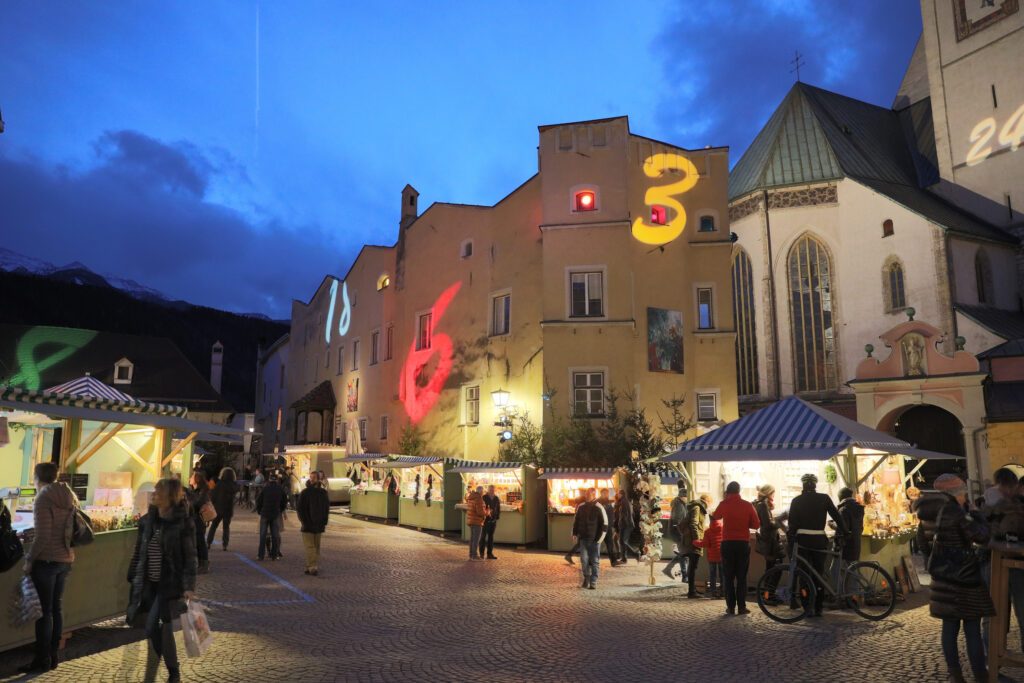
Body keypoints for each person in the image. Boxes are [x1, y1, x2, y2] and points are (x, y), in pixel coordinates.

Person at [916, 474, 998, 683]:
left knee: (949, 627)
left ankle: (956, 675)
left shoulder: (927, 512)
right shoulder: (955, 512)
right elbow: (982, 536)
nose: (965, 497)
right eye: (963, 493)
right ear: (958, 493)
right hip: (965, 578)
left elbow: (923, 545)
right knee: (972, 627)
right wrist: (976, 515)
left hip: (942, 578)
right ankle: (981, 675)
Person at [126, 478, 197, 683]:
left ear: (169, 496)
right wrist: (133, 573)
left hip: (169, 583)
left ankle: (160, 670)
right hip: (149, 582)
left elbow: (190, 557)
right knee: (164, 629)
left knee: (151, 626)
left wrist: (189, 586)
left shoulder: (183, 522)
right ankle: (173, 671)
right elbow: (140, 550)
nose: (153, 494)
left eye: (158, 491)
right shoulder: (148, 520)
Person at [18, 463, 77, 674]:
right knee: (56, 610)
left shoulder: (43, 498)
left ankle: (41, 660)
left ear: (36, 477)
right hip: (65, 560)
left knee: (43, 613)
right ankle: (53, 656)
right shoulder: (68, 494)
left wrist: (29, 559)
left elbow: (42, 536)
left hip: (47, 561)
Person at [788, 473, 846, 617]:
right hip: (819, 540)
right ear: (815, 485)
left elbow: (792, 525)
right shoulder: (824, 498)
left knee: (804, 575)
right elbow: (837, 516)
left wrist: (791, 541)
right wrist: (845, 531)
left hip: (803, 542)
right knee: (818, 574)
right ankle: (819, 606)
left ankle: (807, 606)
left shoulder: (796, 501)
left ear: (803, 485)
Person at [711, 481, 760, 615]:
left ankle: (731, 607)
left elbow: (715, 516)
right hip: (743, 544)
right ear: (739, 491)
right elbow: (756, 525)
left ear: (728, 491)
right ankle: (742, 607)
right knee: (741, 577)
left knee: (728, 577)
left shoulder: (724, 504)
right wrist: (746, 523)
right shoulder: (747, 505)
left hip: (727, 543)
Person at [572, 487, 607, 590]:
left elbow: (604, 524)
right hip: (583, 539)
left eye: (588, 494)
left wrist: (599, 539)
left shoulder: (599, 507)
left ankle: (593, 581)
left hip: (594, 540)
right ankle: (586, 579)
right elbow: (576, 521)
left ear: (594, 495)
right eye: (586, 494)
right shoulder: (581, 507)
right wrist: (574, 533)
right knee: (584, 560)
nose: (586, 496)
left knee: (595, 561)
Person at [297, 471, 330, 576]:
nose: (311, 479)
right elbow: (326, 509)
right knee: (315, 547)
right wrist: (324, 522)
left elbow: (300, 509)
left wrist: (303, 521)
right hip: (319, 524)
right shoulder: (323, 493)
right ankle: (310, 565)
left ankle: (312, 566)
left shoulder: (305, 492)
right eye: (311, 477)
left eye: (313, 477)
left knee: (310, 547)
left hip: (308, 524)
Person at [680, 493, 711, 598]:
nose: (709, 505)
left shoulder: (697, 507)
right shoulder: (697, 507)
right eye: (710, 502)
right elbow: (694, 523)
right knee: (693, 566)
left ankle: (692, 590)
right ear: (706, 500)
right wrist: (697, 539)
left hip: (691, 539)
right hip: (692, 541)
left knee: (693, 566)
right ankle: (691, 592)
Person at [753, 484, 784, 589]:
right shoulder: (763, 505)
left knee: (771, 568)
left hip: (767, 540)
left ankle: (767, 594)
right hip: (770, 541)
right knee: (774, 568)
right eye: (773, 493)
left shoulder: (760, 504)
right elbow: (768, 524)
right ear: (769, 493)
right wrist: (780, 520)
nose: (774, 495)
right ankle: (769, 594)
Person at [255, 473, 287, 560]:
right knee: (275, 535)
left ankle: (260, 555)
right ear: (277, 480)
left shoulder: (265, 488)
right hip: (275, 513)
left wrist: (259, 511)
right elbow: (284, 501)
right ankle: (274, 555)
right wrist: (280, 509)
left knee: (263, 535)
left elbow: (259, 501)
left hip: (265, 513)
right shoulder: (280, 489)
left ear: (269, 480)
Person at [207, 467, 238, 551]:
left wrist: (212, 504)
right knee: (226, 527)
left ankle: (208, 542)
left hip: (218, 509)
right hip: (228, 510)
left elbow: (213, 496)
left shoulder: (219, 484)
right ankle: (225, 544)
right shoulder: (234, 486)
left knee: (214, 526)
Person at [662, 482, 689, 580]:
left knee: (683, 552)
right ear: (683, 497)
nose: (687, 499)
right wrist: (682, 532)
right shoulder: (679, 505)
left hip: (677, 531)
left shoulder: (680, 503)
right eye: (686, 497)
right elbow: (677, 520)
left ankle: (669, 569)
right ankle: (684, 575)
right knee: (683, 553)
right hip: (677, 532)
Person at [187, 470, 211, 574]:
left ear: (196, 480)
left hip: (199, 521)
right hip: (195, 520)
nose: (189, 479)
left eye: (191, 477)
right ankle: (201, 564)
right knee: (197, 543)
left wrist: (189, 502)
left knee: (200, 543)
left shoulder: (202, 491)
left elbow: (197, 504)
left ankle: (204, 564)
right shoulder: (194, 491)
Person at [836, 487, 864, 563]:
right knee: (853, 567)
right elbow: (860, 527)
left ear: (841, 497)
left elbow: (843, 528)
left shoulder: (843, 509)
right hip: (856, 543)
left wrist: (832, 525)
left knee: (848, 569)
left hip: (846, 545)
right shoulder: (859, 508)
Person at [613, 489, 638, 564]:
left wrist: (622, 525)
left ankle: (635, 554)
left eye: (618, 494)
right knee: (621, 541)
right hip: (625, 524)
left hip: (626, 525)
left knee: (623, 541)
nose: (617, 495)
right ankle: (624, 558)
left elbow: (624, 515)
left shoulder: (624, 502)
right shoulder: (623, 501)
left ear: (621, 494)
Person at [704, 514, 724, 599]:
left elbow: (705, 544)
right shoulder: (723, 528)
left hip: (712, 556)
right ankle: (723, 592)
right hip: (722, 555)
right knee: (723, 574)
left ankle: (713, 592)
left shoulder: (707, 531)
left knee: (713, 575)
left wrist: (695, 542)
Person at [465, 485, 486, 561]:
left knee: (473, 539)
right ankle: (474, 555)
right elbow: (480, 512)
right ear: (481, 491)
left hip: (471, 520)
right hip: (477, 521)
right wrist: (486, 513)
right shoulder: (478, 499)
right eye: (483, 491)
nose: (483, 493)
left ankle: (471, 555)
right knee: (476, 539)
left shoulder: (471, 497)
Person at [480, 484, 500, 560]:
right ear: (488, 490)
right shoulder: (484, 497)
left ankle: (489, 554)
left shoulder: (496, 498)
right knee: (483, 537)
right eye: (490, 489)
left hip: (493, 520)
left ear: (495, 490)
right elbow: (481, 508)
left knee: (491, 537)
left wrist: (496, 517)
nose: (492, 491)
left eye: (493, 489)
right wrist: (486, 514)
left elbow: (498, 508)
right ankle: (481, 554)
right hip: (485, 520)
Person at [598, 488, 617, 565]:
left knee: (610, 543)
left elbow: (611, 513)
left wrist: (613, 523)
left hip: (608, 526)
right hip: (600, 527)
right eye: (605, 493)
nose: (606, 494)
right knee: (597, 544)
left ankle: (613, 561)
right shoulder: (597, 502)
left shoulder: (609, 502)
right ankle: (592, 561)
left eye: (607, 493)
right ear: (601, 493)